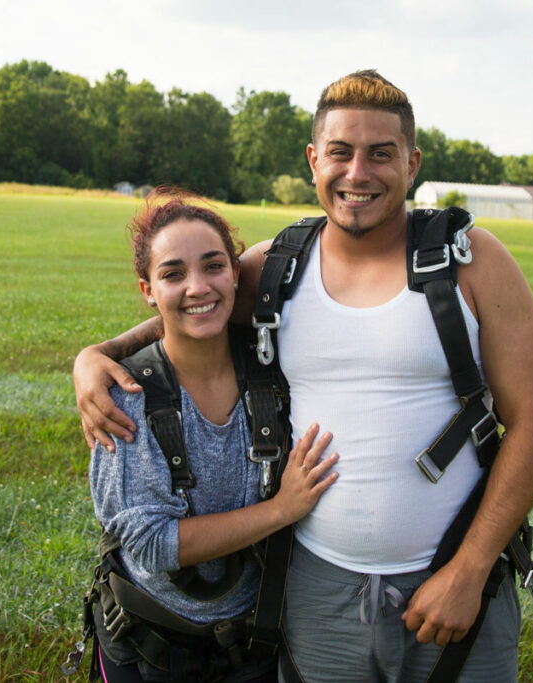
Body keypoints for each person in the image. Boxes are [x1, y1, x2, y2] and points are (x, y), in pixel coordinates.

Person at [74, 72, 533, 682]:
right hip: (314, 589)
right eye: (340, 152)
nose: (358, 173)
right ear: (313, 160)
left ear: (412, 163)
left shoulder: (471, 261)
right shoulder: (279, 266)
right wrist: (96, 355)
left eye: (380, 153)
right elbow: (197, 305)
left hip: (456, 581)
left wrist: (469, 570)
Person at [85, 191, 338, 682]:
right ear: (147, 290)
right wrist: (282, 509)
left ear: (237, 274)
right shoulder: (126, 396)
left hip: (255, 642)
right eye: (173, 274)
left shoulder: (277, 369)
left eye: (213, 266)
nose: (198, 287)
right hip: (150, 647)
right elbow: (152, 543)